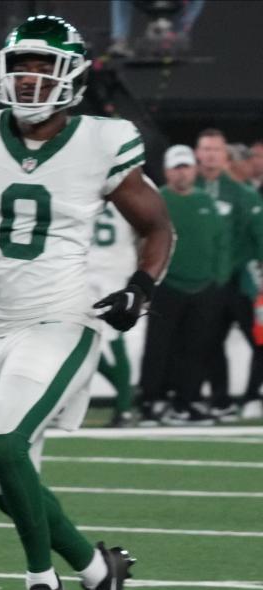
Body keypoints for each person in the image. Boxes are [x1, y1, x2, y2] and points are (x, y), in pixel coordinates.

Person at [0, 15, 173, 590]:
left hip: (64, 317)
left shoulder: (102, 141)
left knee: (6, 443)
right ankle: (98, 571)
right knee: (6, 486)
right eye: (21, 65)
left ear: (71, 75)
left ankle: (42, 587)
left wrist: (140, 289)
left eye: (42, 65)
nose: (29, 78)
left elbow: (157, 229)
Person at [137, 145, 227, 427]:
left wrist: (217, 277)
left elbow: (221, 242)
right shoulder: (158, 199)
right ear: (166, 171)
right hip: (168, 284)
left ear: (194, 169)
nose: (181, 173)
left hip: (203, 286)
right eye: (176, 168)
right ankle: (151, 401)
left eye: (186, 167)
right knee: (158, 347)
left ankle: (185, 401)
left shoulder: (205, 201)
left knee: (196, 349)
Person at [195, 128, 263, 421]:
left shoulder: (244, 196)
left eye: (217, 151)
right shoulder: (190, 188)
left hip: (242, 281)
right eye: (206, 150)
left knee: (259, 340)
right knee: (208, 342)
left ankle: (250, 396)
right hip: (208, 281)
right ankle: (221, 399)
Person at [88, 202, 137, 427]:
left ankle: (125, 403)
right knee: (88, 340)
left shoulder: (82, 183)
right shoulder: (130, 189)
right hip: (112, 271)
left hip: (86, 270)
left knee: (89, 339)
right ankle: (125, 397)